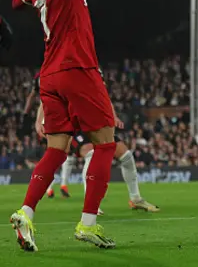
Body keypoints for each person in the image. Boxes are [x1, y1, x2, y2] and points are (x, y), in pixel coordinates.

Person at [9, 0, 116, 251]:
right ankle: (88, 223)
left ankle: (26, 212)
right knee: (105, 144)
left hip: (49, 75)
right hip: (76, 68)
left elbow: (16, 0)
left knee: (57, 149)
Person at [27, 73, 159, 213]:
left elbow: (104, 96)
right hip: (75, 125)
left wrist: (113, 116)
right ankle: (91, 206)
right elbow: (47, 98)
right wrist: (38, 121)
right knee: (90, 153)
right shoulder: (67, 71)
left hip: (96, 123)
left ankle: (136, 199)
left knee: (126, 156)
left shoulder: (93, 70)